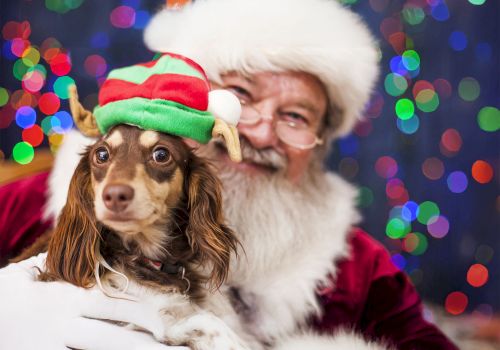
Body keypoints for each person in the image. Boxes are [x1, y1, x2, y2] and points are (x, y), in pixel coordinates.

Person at [0, 0, 458, 349]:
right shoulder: (44, 200)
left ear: (320, 143)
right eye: (239, 95)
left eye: (296, 117)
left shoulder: (358, 269)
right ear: (184, 103)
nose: (260, 131)